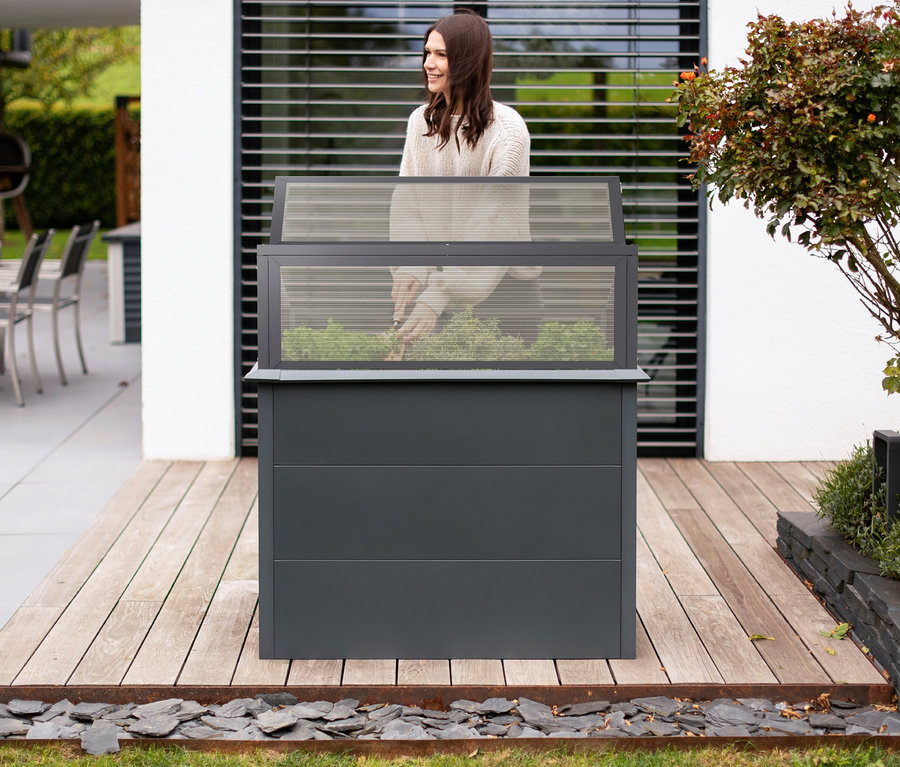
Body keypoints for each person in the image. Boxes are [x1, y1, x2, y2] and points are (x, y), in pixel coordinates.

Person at [389, 9, 542, 346]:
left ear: (468, 61)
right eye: (427, 52)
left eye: (441, 55)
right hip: (436, 290)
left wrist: (439, 294)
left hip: (502, 297)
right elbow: (407, 203)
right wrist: (410, 268)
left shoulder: (508, 130)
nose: (429, 63)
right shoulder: (420, 122)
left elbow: (493, 223)